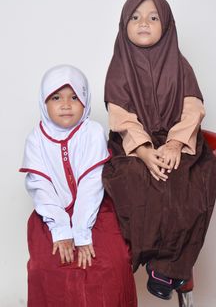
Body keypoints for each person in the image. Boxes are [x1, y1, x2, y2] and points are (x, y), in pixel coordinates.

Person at [102, 0, 216, 300]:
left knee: (190, 181)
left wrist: (174, 145)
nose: (144, 23)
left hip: (175, 140)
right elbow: (120, 115)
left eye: (153, 18)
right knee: (137, 178)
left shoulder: (181, 65)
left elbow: (193, 107)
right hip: (135, 143)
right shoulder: (119, 67)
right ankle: (146, 254)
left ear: (167, 25)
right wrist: (143, 150)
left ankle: (167, 267)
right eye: (136, 17)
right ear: (124, 24)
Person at [19, 64, 137, 307]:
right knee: (46, 265)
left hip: (95, 210)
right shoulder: (36, 139)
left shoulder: (92, 131)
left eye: (74, 97)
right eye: (56, 97)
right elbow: (41, 189)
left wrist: (82, 233)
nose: (65, 104)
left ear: (85, 100)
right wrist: (61, 230)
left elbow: (91, 184)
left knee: (112, 261)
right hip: (51, 215)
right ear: (44, 102)